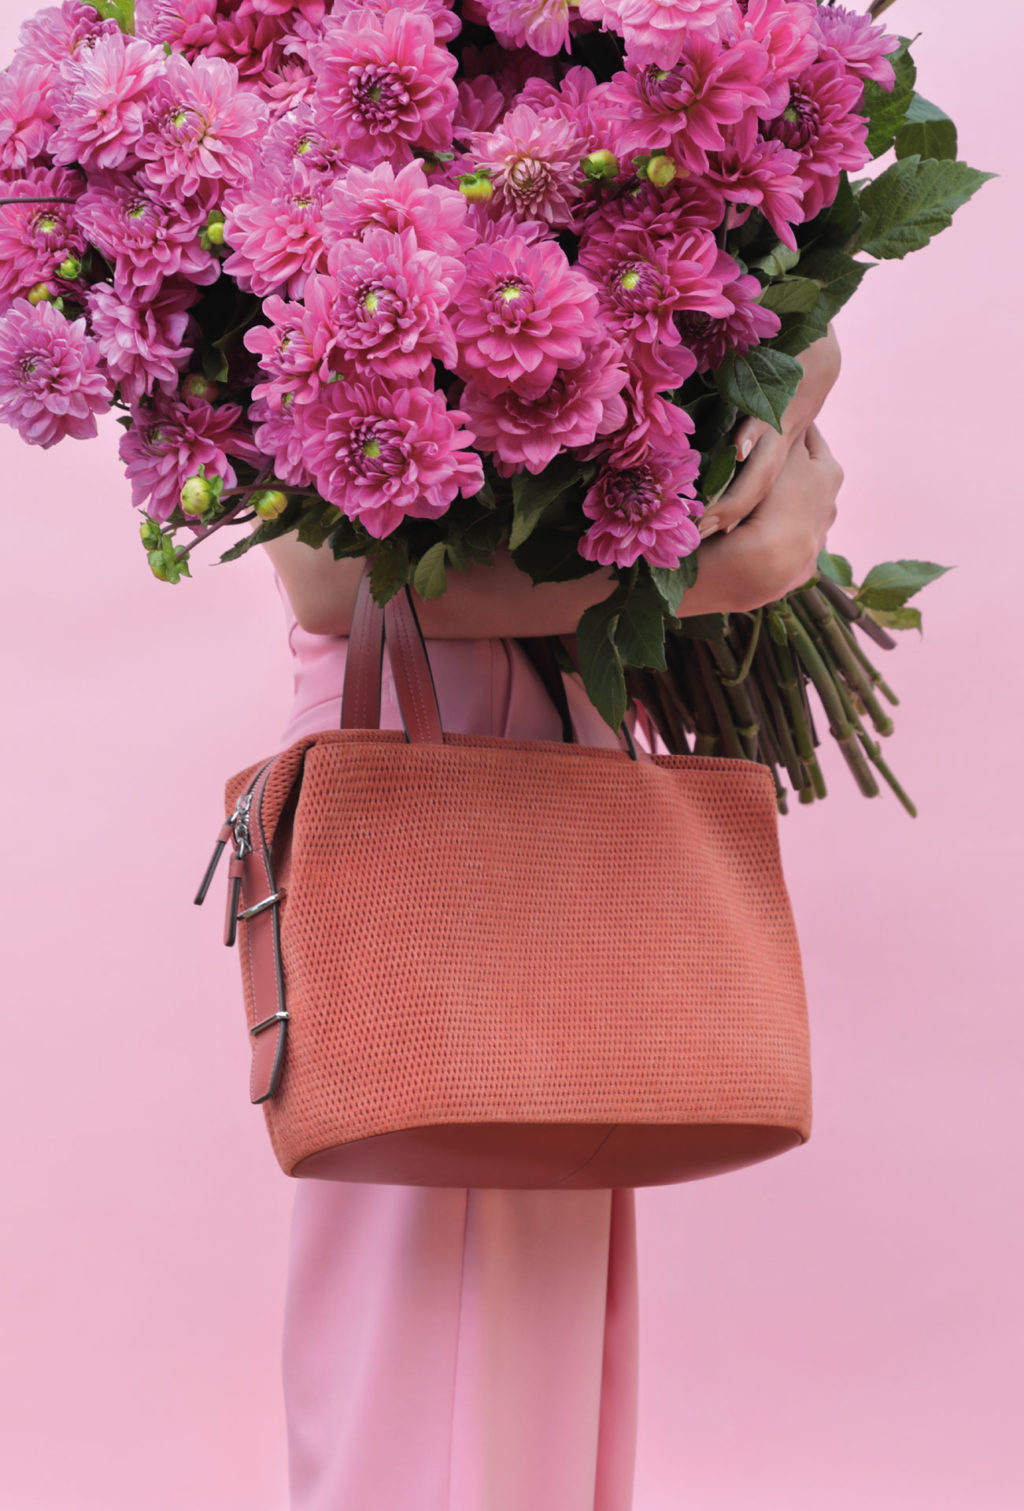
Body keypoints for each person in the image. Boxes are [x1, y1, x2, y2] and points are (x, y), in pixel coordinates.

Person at [259, 333, 844, 1511]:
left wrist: (793, 371)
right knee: (411, 1309)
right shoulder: (304, 240)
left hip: (566, 719)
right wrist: (696, 576)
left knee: (533, 1315)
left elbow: (793, 324)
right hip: (417, 744)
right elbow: (329, 576)